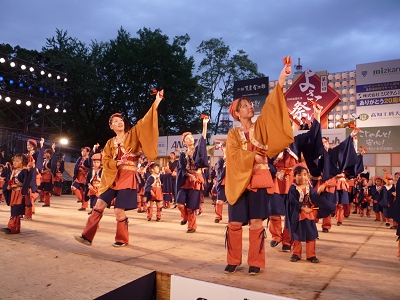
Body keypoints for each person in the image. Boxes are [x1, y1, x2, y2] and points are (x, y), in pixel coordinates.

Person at [224, 65, 294, 275]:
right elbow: (234, 156)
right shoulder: (233, 135)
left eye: (250, 104)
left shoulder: (261, 125)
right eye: (244, 106)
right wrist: (252, 155)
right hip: (239, 182)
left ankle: (255, 261)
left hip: (259, 179)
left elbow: (272, 106)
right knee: (234, 222)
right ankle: (233, 259)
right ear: (236, 113)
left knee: (256, 222)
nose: (250, 107)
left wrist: (281, 78)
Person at [74, 90, 163, 247]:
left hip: (128, 176)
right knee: (98, 205)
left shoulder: (133, 135)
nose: (119, 122)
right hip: (112, 177)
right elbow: (106, 160)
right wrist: (117, 163)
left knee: (118, 211)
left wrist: (156, 102)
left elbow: (145, 122)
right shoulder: (109, 143)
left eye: (121, 119)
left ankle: (122, 239)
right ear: (111, 126)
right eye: (115, 121)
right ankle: (87, 236)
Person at [286, 166, 327, 263]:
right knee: (296, 234)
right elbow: (292, 201)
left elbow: (314, 198)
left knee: (311, 234)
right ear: (295, 176)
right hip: (298, 215)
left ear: (308, 176)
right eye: (299, 175)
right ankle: (296, 254)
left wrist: (319, 191)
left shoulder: (309, 188)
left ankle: (311, 255)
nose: (302, 177)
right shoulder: (293, 188)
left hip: (309, 215)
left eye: (304, 175)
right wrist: (303, 208)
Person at [176, 116, 209, 233]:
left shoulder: (198, 151)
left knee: (191, 206)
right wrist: (189, 175)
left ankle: (191, 226)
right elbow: (180, 168)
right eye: (187, 138)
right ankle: (184, 216)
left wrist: (204, 125)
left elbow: (203, 138)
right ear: (184, 142)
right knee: (179, 203)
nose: (190, 139)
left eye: (191, 137)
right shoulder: (183, 154)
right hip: (186, 180)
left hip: (196, 180)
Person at [1, 154, 30, 234]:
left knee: (16, 210)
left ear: (23, 162)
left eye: (17, 161)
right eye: (14, 161)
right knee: (13, 209)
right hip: (14, 192)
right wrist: (8, 187)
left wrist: (17, 185)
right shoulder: (13, 171)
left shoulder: (25, 171)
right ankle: (15, 228)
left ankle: (12, 227)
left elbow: (27, 182)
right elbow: (8, 181)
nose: (15, 162)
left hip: (20, 193)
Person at [214, 142, 227, 223]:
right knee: (219, 201)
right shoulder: (221, 160)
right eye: (224, 147)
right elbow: (218, 171)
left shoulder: (235, 158)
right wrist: (224, 167)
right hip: (222, 182)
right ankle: (218, 216)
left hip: (233, 183)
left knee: (234, 202)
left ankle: (234, 218)